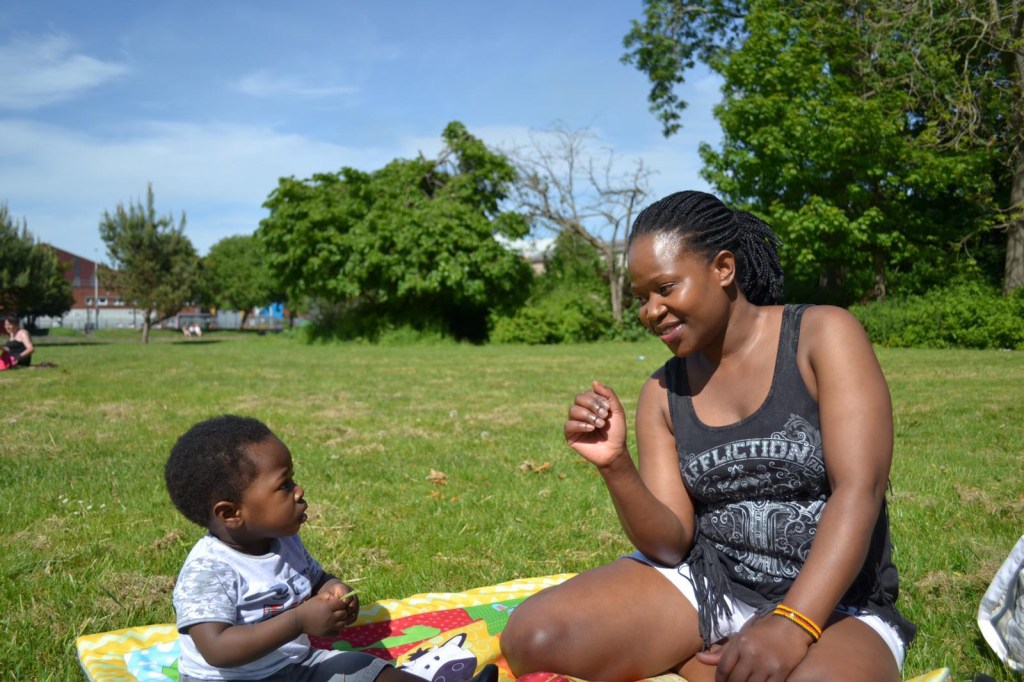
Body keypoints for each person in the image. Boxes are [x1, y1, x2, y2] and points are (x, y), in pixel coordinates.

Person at [500, 191, 915, 682]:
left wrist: (791, 623)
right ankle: (708, 654)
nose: (651, 311)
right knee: (535, 638)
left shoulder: (823, 337)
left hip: (836, 600)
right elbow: (670, 544)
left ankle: (699, 661)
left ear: (723, 268)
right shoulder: (662, 390)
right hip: (709, 588)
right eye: (641, 298)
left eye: (666, 287)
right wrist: (615, 465)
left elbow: (859, 492)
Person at [165, 415, 498, 682]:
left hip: (299, 666)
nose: (299, 490)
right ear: (231, 513)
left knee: (363, 667)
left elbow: (315, 579)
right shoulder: (209, 570)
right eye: (284, 485)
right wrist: (298, 622)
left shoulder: (284, 542)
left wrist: (334, 589)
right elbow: (218, 649)